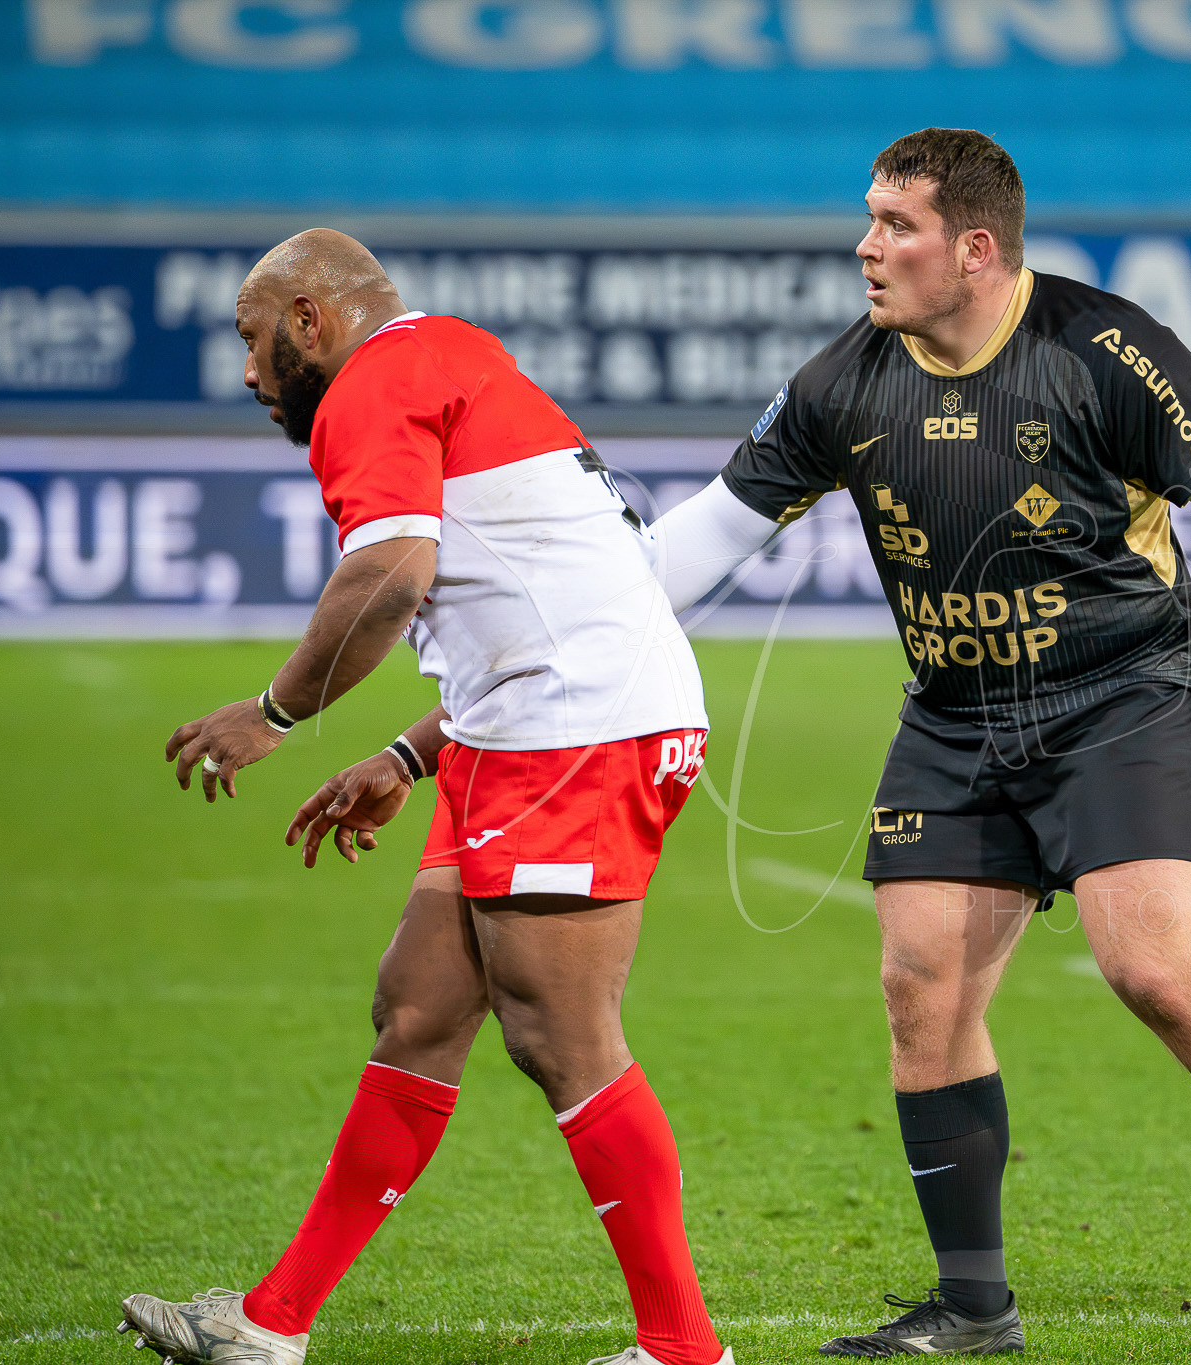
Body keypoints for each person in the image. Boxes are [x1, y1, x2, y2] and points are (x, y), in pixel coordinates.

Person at [650, 129, 1191, 1362]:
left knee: (1157, 974)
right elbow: (698, 545)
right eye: (867, 220)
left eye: (892, 226)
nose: (864, 248)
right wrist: (562, 621)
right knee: (920, 990)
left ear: (974, 248)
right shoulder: (845, 380)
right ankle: (973, 1309)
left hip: (1118, 699)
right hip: (954, 712)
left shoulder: (1102, 349)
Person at [119, 230, 729, 1365]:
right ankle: (271, 1325)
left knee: (561, 1034)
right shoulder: (442, 363)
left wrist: (277, 711)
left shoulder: (373, 383)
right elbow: (536, 599)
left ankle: (684, 1350)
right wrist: (407, 757)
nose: (249, 374)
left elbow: (391, 576)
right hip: (533, 727)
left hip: (579, 735)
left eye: (253, 342)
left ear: (311, 318)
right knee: (420, 1007)